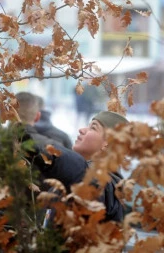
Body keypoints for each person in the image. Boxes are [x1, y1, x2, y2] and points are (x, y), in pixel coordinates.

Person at [17, 92, 128, 222]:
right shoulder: (73, 178)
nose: (82, 130)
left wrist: (31, 139)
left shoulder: (108, 186)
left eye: (93, 128)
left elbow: (80, 170)